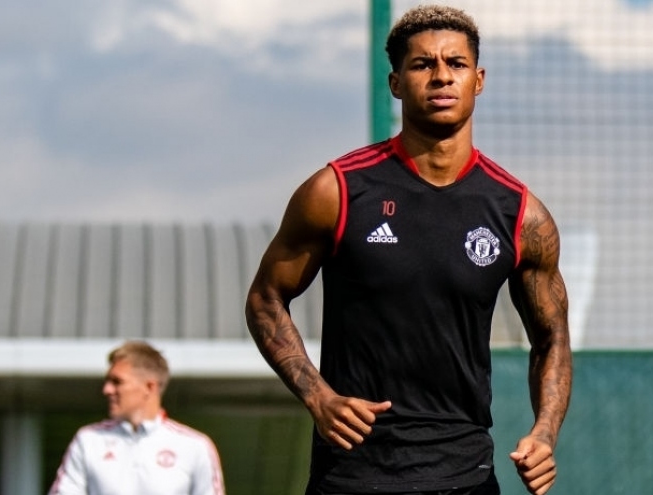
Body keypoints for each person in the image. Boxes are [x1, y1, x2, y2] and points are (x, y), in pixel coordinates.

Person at [245, 5, 572, 495]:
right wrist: (318, 396)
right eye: (423, 64)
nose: (442, 76)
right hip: (352, 476)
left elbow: (552, 338)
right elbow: (265, 298)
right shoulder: (336, 192)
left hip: (465, 474)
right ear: (396, 84)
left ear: (478, 80)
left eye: (456, 63)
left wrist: (544, 433)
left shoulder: (521, 214)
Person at [49, 340, 225, 495]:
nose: (107, 390)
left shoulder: (195, 446)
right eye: (107, 382)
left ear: (149, 387)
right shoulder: (88, 440)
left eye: (117, 382)